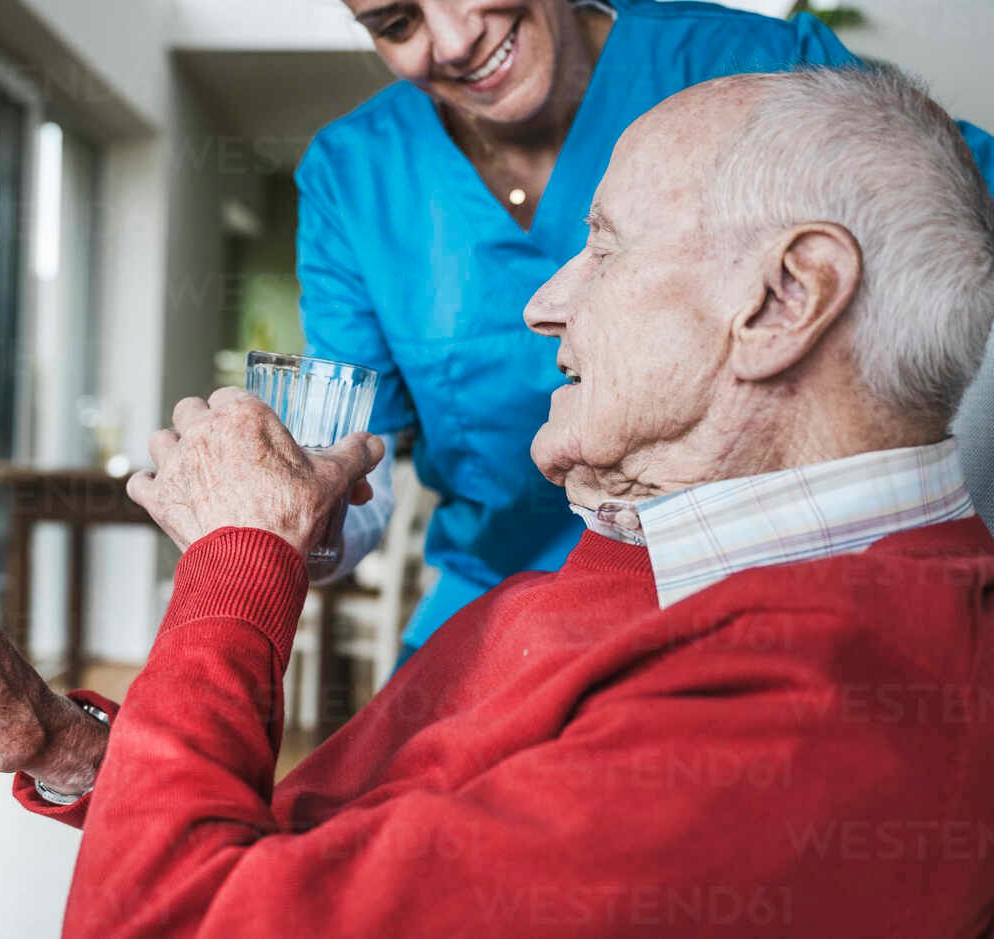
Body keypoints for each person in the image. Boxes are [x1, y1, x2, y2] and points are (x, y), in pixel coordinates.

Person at [0, 65, 994, 934]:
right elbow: (314, 857)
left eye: (609, 246)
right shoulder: (655, 562)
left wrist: (238, 556)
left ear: (787, 299)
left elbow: (173, 921)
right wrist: (58, 743)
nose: (543, 305)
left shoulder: (802, 720)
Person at [309, 0, 994, 661]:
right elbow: (352, 463)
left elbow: (952, 240)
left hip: (775, 595)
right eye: (398, 23)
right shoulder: (354, 174)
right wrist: (291, 515)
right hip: (498, 616)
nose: (454, 39)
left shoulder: (750, 66)